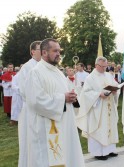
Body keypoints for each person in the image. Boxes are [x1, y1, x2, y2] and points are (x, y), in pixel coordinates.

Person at [24, 38, 85, 167]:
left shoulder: (58, 72)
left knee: (67, 157)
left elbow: (67, 92)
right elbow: (35, 101)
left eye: (59, 51)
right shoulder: (35, 73)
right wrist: (63, 98)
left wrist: (73, 97)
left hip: (65, 125)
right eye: (55, 51)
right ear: (44, 52)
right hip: (46, 129)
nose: (59, 54)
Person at [77, 56, 119, 160]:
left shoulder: (109, 75)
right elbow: (85, 94)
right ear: (96, 65)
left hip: (109, 107)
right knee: (99, 129)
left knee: (109, 127)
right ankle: (99, 153)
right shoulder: (90, 78)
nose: (105, 68)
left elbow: (115, 85)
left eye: (106, 66)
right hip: (98, 108)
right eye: (102, 66)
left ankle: (110, 150)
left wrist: (115, 91)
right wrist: (98, 94)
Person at [17, 41, 41, 167]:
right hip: (32, 109)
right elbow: (23, 90)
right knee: (31, 141)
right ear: (33, 51)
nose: (43, 51)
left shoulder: (44, 65)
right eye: (40, 48)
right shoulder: (28, 67)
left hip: (43, 109)